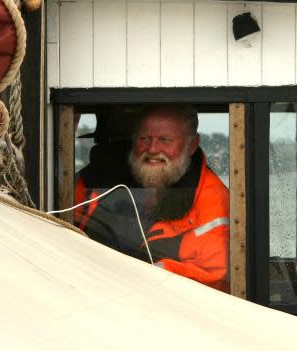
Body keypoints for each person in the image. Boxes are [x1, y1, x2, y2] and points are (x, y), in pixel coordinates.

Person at [74, 105, 230, 292]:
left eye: (165, 139)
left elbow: (213, 279)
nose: (153, 148)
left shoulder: (214, 201)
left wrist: (135, 276)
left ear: (192, 145)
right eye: (144, 138)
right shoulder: (94, 181)